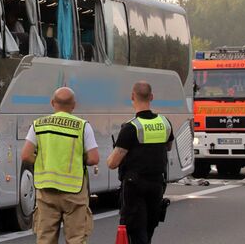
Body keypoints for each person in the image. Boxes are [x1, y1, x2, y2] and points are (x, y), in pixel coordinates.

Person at [21, 87, 99, 244]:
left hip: (46, 191)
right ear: (74, 105)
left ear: (52, 103)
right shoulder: (83, 126)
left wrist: (46, 163)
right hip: (74, 191)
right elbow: (93, 158)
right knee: (76, 239)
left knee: (45, 239)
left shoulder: (38, 125)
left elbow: (26, 155)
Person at [107, 81, 174, 244]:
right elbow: (168, 147)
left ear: (132, 97)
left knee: (136, 230)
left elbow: (112, 163)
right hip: (157, 183)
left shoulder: (131, 128)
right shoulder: (164, 123)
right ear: (151, 97)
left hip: (134, 185)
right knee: (150, 227)